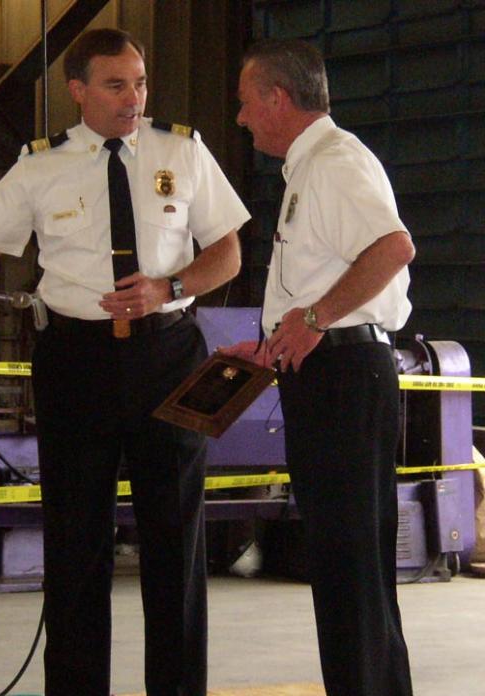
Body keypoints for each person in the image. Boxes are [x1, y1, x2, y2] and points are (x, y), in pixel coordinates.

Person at [0, 28, 250, 696]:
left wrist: (169, 288)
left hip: (169, 352)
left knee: (176, 539)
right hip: (75, 359)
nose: (134, 98)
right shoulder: (39, 165)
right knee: (75, 541)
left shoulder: (181, 149)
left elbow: (227, 251)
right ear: (78, 91)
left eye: (141, 82)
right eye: (117, 85)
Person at [223, 39, 416, 696]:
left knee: (350, 571)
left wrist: (314, 318)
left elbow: (393, 248)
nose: (243, 118)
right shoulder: (310, 169)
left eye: (248, 104)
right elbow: (322, 281)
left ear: (278, 99)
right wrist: (278, 340)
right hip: (327, 377)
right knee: (342, 570)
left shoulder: (334, 163)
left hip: (344, 380)